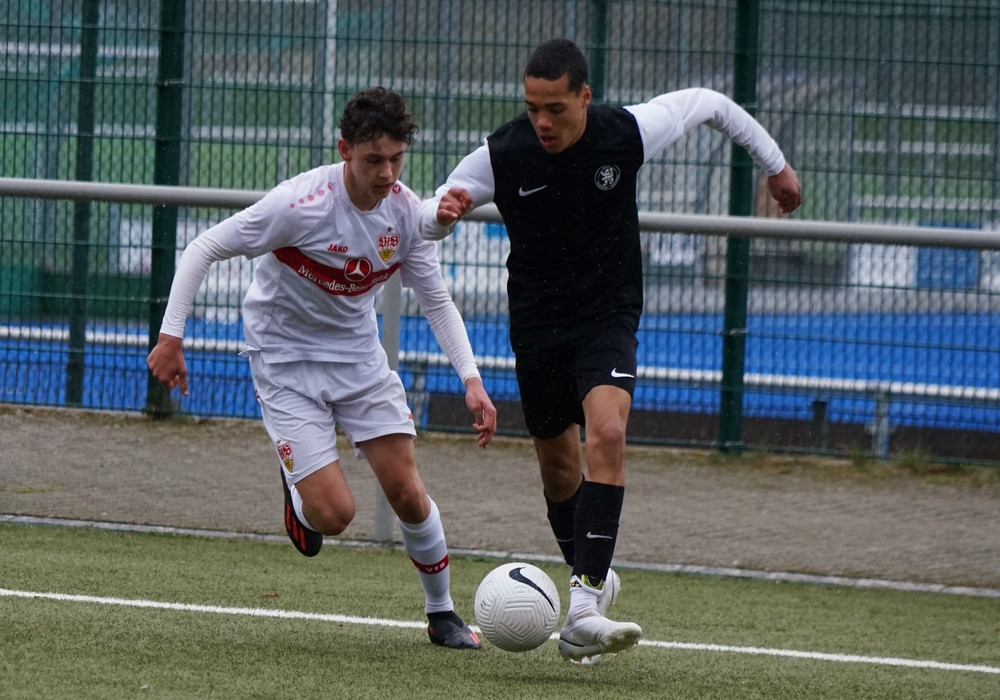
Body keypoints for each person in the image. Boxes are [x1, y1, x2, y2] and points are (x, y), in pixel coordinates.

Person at [418, 39, 802, 663]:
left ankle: (582, 610)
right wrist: (445, 214)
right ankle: (592, 580)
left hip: (608, 318)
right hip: (537, 327)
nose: (542, 122)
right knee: (558, 472)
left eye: (555, 109)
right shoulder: (502, 152)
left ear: (584, 98)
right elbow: (429, 217)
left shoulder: (626, 132)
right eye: (532, 108)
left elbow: (710, 103)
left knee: (608, 432)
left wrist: (776, 165)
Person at [148, 86, 497, 650]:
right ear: (344, 151)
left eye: (397, 159)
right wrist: (171, 337)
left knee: (407, 492)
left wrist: (472, 380)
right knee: (335, 515)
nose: (387, 174)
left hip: (358, 361)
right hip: (284, 362)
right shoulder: (298, 204)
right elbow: (203, 247)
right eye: (374, 160)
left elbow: (437, 301)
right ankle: (299, 495)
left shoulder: (405, 213)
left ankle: (442, 614)